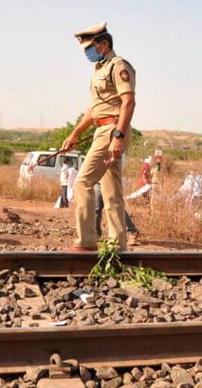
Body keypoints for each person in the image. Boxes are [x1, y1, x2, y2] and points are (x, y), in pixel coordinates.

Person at [62, 22, 136, 251]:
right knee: (111, 191)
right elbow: (95, 109)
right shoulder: (100, 69)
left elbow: (128, 102)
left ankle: (86, 242)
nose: (87, 53)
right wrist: (75, 133)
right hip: (103, 129)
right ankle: (117, 246)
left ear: (103, 44)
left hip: (112, 129)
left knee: (82, 183)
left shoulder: (119, 65)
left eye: (89, 48)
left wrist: (118, 136)